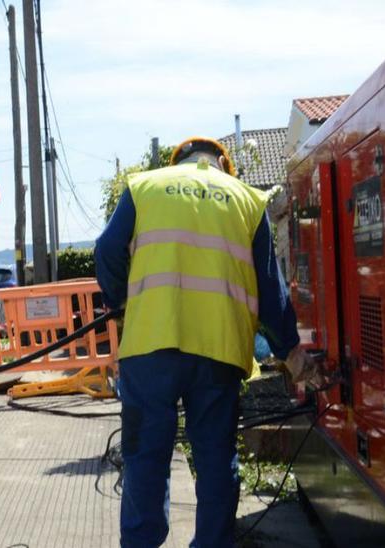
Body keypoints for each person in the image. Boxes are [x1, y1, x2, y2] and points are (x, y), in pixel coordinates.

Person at [94, 137, 322, 547]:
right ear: (222, 162)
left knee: (146, 457)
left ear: (176, 160)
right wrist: (290, 351)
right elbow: (270, 290)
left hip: (150, 349)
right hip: (218, 351)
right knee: (216, 460)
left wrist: (120, 301)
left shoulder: (144, 187)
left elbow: (107, 249)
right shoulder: (246, 200)